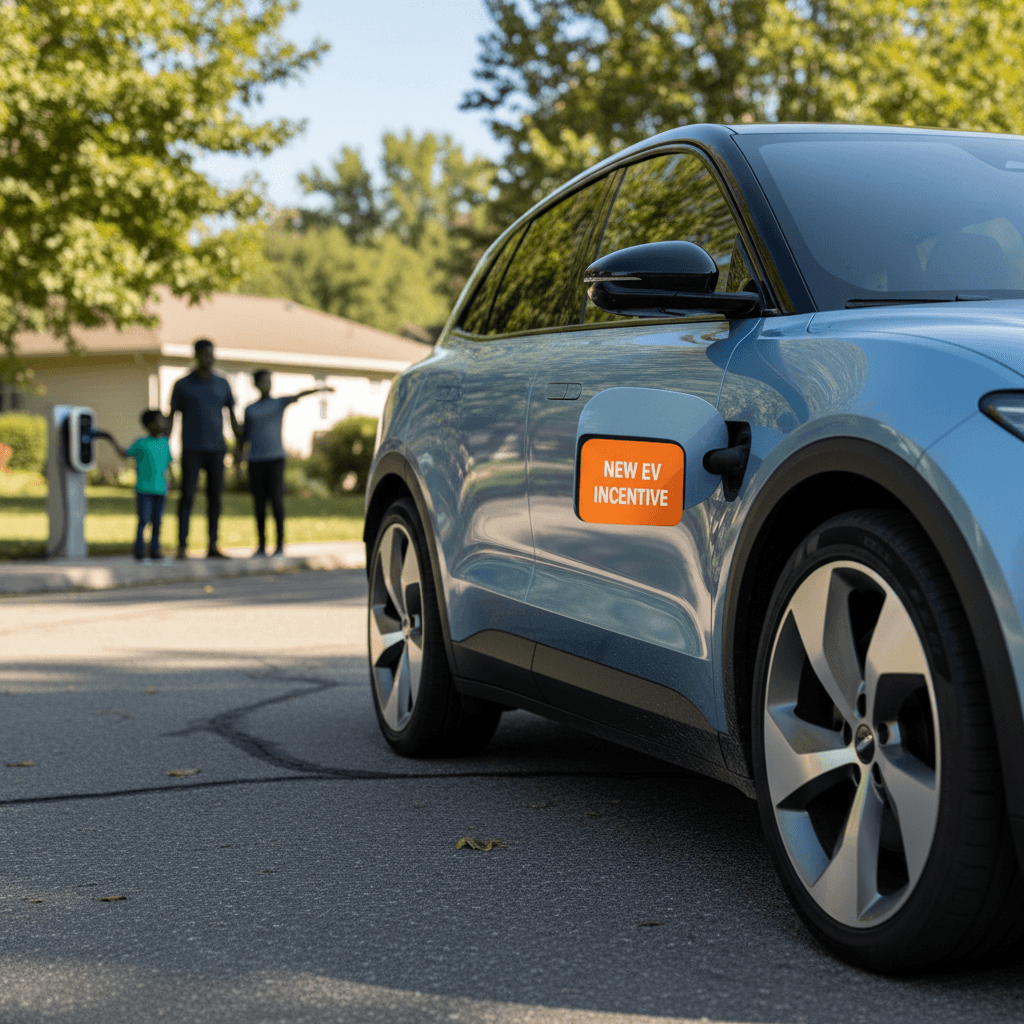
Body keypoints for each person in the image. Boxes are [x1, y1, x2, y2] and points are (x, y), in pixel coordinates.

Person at [240, 369, 333, 557]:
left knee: (276, 501)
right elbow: (244, 437)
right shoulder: (250, 409)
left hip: (275, 459)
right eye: (264, 381)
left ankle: (280, 545)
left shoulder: (279, 403)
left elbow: (300, 394)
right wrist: (238, 461)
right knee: (259, 504)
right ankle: (261, 545)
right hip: (255, 461)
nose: (268, 384)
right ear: (256, 384)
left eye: (269, 381)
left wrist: (320, 389)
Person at [169, 338, 240, 559]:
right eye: (204, 355)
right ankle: (182, 545)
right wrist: (164, 450)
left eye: (212, 354)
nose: (209, 359)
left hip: (217, 449)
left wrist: (240, 445)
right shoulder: (182, 385)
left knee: (215, 498)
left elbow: (233, 418)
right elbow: (171, 418)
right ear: (196, 356)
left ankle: (213, 544)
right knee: (187, 496)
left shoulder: (223, 383)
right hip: (191, 448)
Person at [102, 410, 172, 560]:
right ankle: (139, 549)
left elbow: (168, 464)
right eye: (161, 421)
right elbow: (125, 454)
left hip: (161, 490)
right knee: (143, 520)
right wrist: (112, 440)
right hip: (144, 489)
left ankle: (155, 550)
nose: (164, 424)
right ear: (151, 425)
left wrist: (171, 483)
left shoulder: (165, 443)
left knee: (157, 522)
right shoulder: (141, 443)